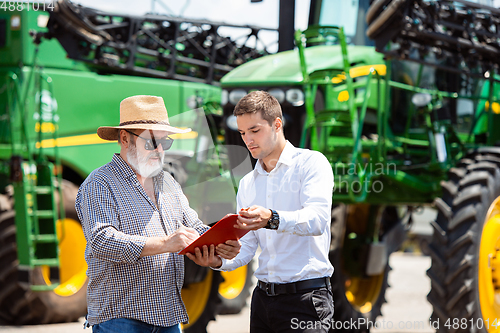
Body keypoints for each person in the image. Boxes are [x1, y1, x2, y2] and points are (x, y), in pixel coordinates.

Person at [75, 95, 240, 333]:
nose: (160, 150)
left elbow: (194, 226)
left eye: (166, 142)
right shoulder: (100, 184)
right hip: (120, 318)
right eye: (152, 142)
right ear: (124, 138)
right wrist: (165, 243)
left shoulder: (168, 182)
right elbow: (102, 241)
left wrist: (219, 249)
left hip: (168, 316)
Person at [190, 90, 335, 332]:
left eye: (255, 130)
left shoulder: (311, 164)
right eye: (243, 133)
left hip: (306, 300)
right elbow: (247, 247)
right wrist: (218, 260)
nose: (248, 140)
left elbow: (317, 220)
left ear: (277, 124)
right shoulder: (248, 182)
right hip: (262, 302)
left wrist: (272, 218)